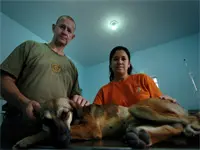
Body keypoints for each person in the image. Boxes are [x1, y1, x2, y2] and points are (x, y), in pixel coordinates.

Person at [0, 15, 89, 148]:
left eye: (69, 30)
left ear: (72, 37)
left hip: (53, 138)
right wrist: (23, 102)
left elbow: (74, 99)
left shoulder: (72, 67)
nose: (65, 31)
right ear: (54, 28)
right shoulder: (30, 47)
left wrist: (80, 100)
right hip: (16, 130)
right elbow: (3, 80)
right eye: (62, 27)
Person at [93, 46, 175, 106]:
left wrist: (168, 102)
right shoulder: (103, 91)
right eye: (115, 59)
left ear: (128, 64)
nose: (120, 62)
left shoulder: (143, 79)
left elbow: (160, 103)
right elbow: (93, 115)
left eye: (123, 59)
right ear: (110, 65)